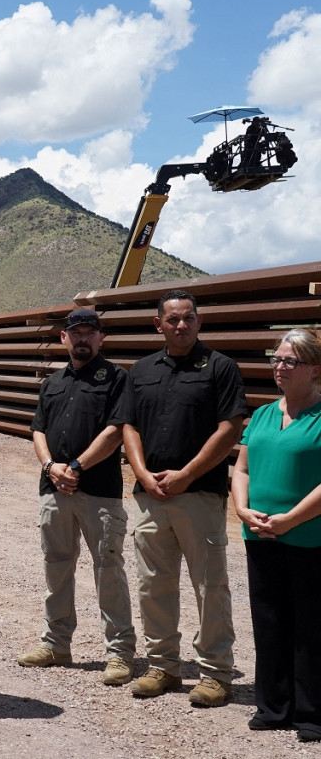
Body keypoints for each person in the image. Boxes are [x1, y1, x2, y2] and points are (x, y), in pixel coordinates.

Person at [121, 289, 247, 706]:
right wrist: (141, 473)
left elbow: (229, 427)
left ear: (199, 322)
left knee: (209, 586)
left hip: (199, 495)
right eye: (172, 319)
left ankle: (215, 672)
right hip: (150, 496)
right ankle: (163, 666)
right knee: (153, 584)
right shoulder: (140, 371)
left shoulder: (220, 368)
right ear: (158, 324)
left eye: (188, 318)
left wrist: (187, 474)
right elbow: (129, 426)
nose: (181, 325)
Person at [17, 308, 135, 686]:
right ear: (64, 339)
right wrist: (52, 467)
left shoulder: (116, 378)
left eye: (90, 332)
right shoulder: (52, 383)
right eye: (76, 332)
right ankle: (56, 644)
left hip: (98, 492)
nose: (82, 338)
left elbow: (117, 430)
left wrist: (77, 467)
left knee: (108, 570)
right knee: (56, 565)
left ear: (101, 338)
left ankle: (118, 654)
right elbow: (38, 431)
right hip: (54, 489)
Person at [232, 328, 321, 743]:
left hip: (309, 537)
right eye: (277, 359)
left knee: (310, 625)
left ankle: (312, 713)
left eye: (290, 361)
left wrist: (289, 520)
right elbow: (243, 468)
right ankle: (272, 707)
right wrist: (241, 507)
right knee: (268, 621)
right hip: (260, 535)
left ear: (315, 369)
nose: (279, 367)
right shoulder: (264, 414)